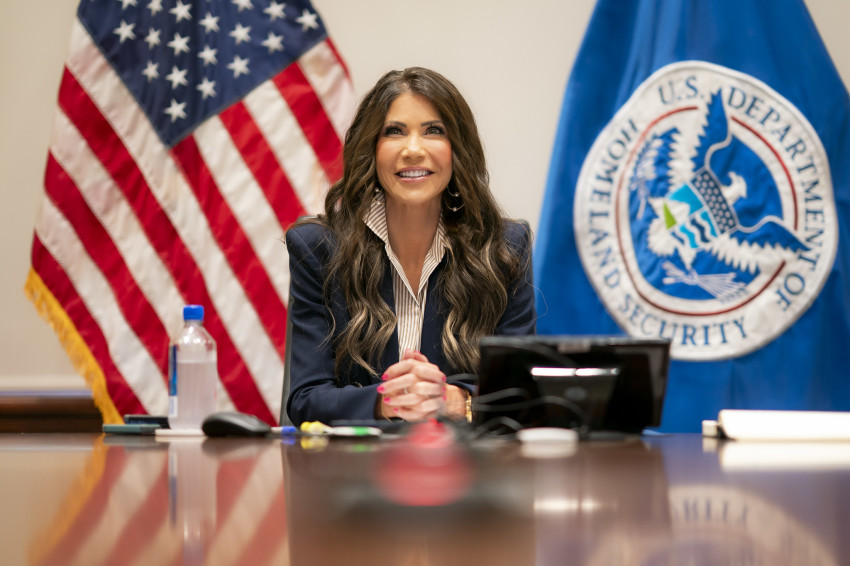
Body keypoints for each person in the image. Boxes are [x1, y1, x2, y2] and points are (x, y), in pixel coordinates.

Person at [285, 67, 536, 426]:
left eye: (434, 131)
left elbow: (522, 394)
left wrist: (453, 399)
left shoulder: (503, 249)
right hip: (353, 474)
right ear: (371, 149)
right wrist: (389, 401)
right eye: (394, 132)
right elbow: (307, 399)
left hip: (471, 473)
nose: (413, 150)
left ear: (457, 150)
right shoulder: (319, 249)